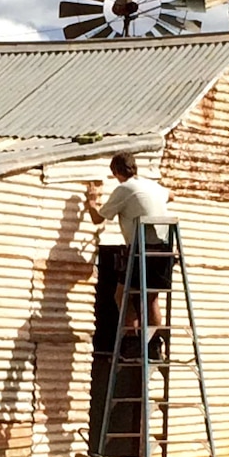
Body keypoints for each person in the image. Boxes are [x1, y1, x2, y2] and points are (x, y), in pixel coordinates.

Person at [85, 152, 173, 358]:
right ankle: (153, 347)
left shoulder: (123, 189)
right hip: (165, 249)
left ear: (115, 172)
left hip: (141, 250)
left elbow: (98, 219)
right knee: (151, 299)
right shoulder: (152, 185)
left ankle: (133, 343)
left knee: (122, 296)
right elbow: (172, 195)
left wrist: (91, 203)